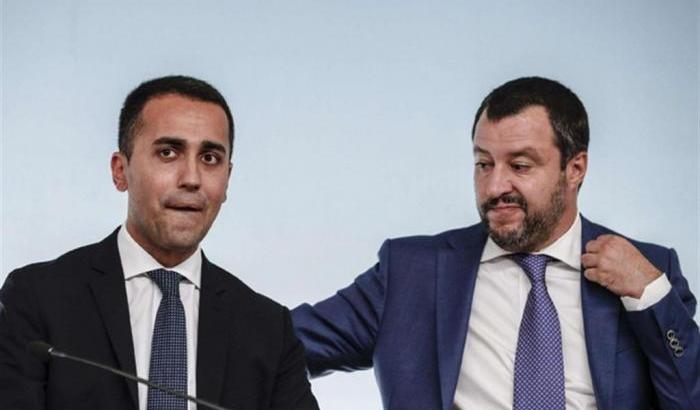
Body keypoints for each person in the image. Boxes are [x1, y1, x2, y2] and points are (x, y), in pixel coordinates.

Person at [292, 76, 699, 409]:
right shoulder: (412, 272)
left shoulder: (649, 271)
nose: (494, 186)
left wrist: (650, 294)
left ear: (575, 168)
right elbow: (278, 344)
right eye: (483, 164)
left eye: (519, 165)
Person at [0, 75, 318, 410]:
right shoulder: (36, 298)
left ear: (227, 180)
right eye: (168, 153)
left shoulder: (268, 330)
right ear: (120, 171)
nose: (192, 179)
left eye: (210, 158)